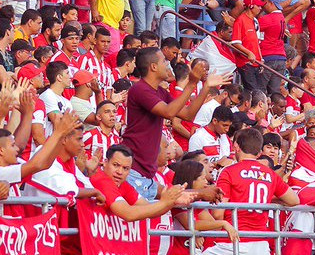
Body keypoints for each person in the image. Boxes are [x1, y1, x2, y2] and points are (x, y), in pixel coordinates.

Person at [124, 48, 227, 200]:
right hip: (133, 168)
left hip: (146, 171)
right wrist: (192, 83)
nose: (168, 65)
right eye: (164, 61)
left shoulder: (160, 91)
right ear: (153, 67)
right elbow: (169, 112)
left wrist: (205, 87)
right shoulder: (140, 89)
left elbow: (187, 114)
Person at [205, 128, 299, 255]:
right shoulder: (269, 173)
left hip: (232, 243)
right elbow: (294, 200)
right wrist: (267, 199)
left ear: (237, 146)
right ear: (259, 152)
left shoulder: (229, 171)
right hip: (260, 245)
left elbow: (217, 214)